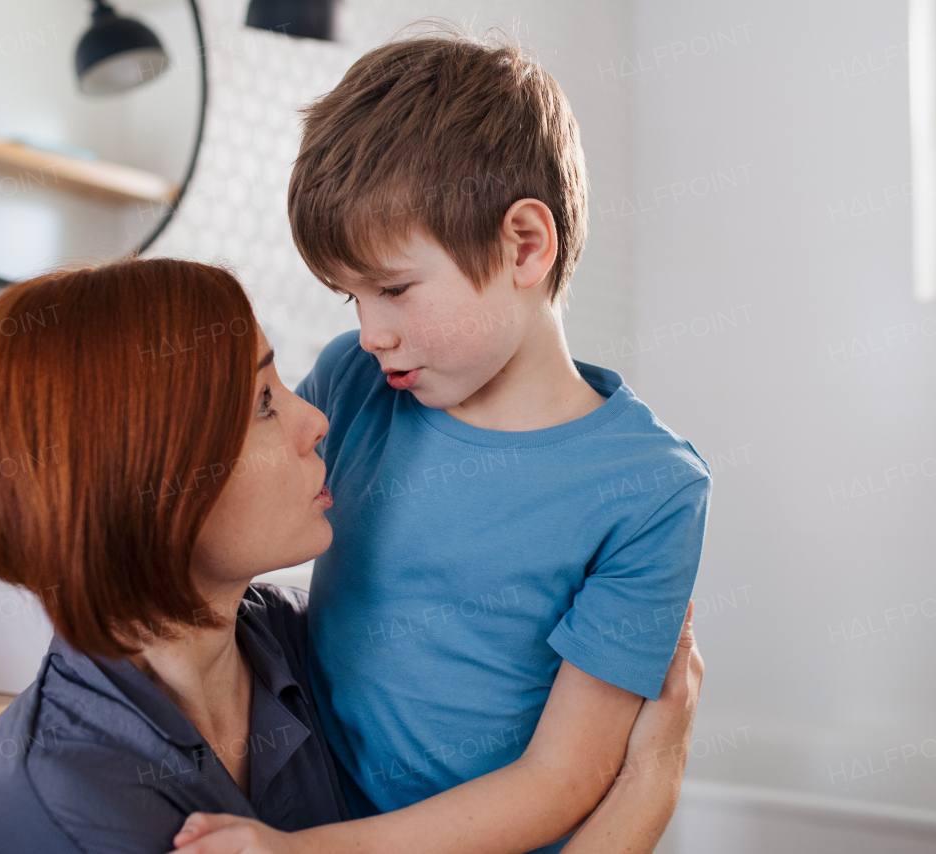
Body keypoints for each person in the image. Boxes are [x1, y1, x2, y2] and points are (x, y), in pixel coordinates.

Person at [0, 258, 702, 854]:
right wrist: (647, 789)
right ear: (152, 485)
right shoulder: (63, 801)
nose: (316, 418)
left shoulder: (295, 652)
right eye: (264, 403)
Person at [173, 31, 712, 854]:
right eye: (350, 297)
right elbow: (224, 506)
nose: (372, 332)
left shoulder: (649, 490)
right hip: (315, 799)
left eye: (392, 289)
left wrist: (302, 853)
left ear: (524, 245)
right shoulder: (355, 382)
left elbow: (562, 780)